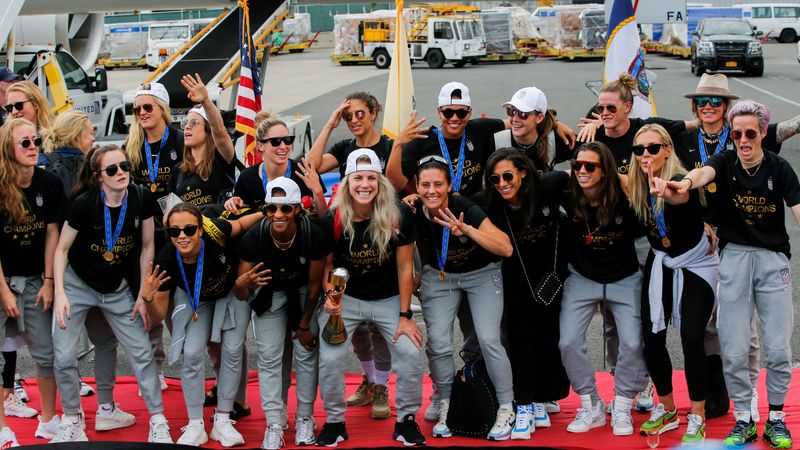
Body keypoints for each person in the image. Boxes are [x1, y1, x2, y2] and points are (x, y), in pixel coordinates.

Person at [670, 100, 800, 450]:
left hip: (773, 260)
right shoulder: (725, 161)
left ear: (762, 134)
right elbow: (703, 173)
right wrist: (685, 183)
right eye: (738, 133)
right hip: (734, 259)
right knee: (734, 346)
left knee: (776, 347)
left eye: (750, 133)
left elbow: (798, 208)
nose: (743, 140)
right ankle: (743, 417)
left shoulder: (780, 167)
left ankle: (775, 418)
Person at [51, 145, 172, 443]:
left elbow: (147, 247)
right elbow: (62, 249)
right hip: (78, 285)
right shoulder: (84, 203)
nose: (121, 174)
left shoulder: (140, 197)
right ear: (98, 177)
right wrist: (61, 293)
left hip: (115, 288)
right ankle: (72, 419)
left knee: (142, 352)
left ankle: (157, 420)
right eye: (112, 170)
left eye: (125, 167)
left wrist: (144, 292)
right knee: (64, 355)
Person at [316, 149, 425, 447]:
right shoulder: (333, 219)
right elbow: (326, 266)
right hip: (346, 300)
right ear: (347, 182)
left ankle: (406, 420)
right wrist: (330, 297)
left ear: (380, 181)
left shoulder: (398, 213)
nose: (364, 185)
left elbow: (405, 266)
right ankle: (334, 421)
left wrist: (405, 316)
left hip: (388, 298)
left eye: (371, 178)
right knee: (330, 357)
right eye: (358, 178)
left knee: (411, 352)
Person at [412, 155, 515, 441]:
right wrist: (418, 276)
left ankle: (506, 405)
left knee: (489, 339)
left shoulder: (464, 207)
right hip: (441, 275)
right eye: (425, 185)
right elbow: (418, 242)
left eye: (438, 185)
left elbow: (505, 248)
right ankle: (447, 402)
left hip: (481, 273)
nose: (432, 191)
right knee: (439, 344)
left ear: (449, 187)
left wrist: (466, 229)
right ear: (416, 187)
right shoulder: (413, 210)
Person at [627, 124, 718, 444]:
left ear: (667, 149)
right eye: (639, 150)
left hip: (696, 264)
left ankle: (697, 414)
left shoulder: (679, 178)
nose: (645, 155)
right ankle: (666, 410)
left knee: (692, 336)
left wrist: (668, 190)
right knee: (651, 338)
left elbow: (681, 195)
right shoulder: (636, 184)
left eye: (653, 148)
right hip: (660, 262)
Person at [307, 91, 394, 419]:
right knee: (353, 322)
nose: (354, 120)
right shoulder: (345, 149)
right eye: (348, 117)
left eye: (360, 113)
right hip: (347, 242)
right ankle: (370, 380)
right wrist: (330, 124)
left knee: (377, 325)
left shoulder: (388, 146)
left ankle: (383, 385)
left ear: (374, 112)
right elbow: (311, 165)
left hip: (382, 238)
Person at [142, 201, 254, 447]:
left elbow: (243, 223)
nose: (182, 236)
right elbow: (159, 315)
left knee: (233, 349)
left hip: (232, 292)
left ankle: (223, 420)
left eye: (189, 230)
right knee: (191, 353)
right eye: (174, 231)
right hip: (197, 300)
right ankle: (195, 424)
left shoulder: (216, 230)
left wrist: (266, 211)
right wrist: (148, 297)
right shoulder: (166, 259)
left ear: (201, 229)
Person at [558, 142, 648, 436]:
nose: (581, 171)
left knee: (633, 343)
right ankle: (591, 404)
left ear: (605, 170)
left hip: (624, 278)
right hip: (582, 277)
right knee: (568, 342)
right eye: (577, 165)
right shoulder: (565, 193)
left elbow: (650, 212)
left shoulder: (625, 199)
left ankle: (622, 403)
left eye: (590, 166)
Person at [479, 149, 570, 439]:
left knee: (550, 340)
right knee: (521, 342)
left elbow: (576, 172)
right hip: (516, 283)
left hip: (551, 280)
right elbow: (458, 204)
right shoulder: (490, 201)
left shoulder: (546, 186)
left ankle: (544, 397)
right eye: (495, 179)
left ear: (523, 173)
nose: (502, 183)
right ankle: (526, 404)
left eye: (508, 176)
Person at [233, 177, 327, 449]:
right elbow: (242, 292)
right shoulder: (255, 236)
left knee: (307, 352)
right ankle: (275, 422)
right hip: (269, 294)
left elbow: (313, 286)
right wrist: (240, 286)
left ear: (297, 209)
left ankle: (305, 418)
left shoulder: (313, 234)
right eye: (271, 208)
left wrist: (304, 324)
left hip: (302, 292)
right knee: (270, 357)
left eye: (285, 208)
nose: (278, 215)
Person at [0, 118, 63, 442]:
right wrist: (4, 292)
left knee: (46, 353)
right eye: (24, 143)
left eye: (35, 140)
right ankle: (2, 429)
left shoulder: (49, 184)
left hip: (36, 280)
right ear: (8, 149)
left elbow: (52, 232)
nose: (33, 147)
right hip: (3, 279)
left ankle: (49, 420)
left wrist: (50, 280)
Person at [124, 81, 183, 390]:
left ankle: (189, 366)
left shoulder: (179, 140)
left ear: (162, 109)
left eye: (148, 107)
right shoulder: (131, 146)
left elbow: (185, 183)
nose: (142, 113)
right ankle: (154, 369)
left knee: (178, 307)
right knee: (150, 305)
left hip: (176, 233)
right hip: (145, 234)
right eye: (137, 109)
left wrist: (171, 209)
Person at [225, 112, 326, 215]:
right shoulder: (247, 177)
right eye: (276, 141)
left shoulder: (305, 173)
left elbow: (324, 219)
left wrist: (318, 192)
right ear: (260, 146)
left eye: (288, 140)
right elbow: (239, 208)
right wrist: (233, 202)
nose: (283, 146)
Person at [169, 74, 236, 207]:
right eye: (185, 123)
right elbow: (171, 209)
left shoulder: (220, 159)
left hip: (216, 225)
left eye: (194, 122)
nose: (187, 126)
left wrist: (205, 100)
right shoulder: (178, 170)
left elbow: (219, 130)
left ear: (207, 129)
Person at [493, 86, 573, 173]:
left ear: (539, 118)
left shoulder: (554, 140)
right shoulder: (496, 140)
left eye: (523, 114)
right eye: (512, 111)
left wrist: (559, 177)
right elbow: (477, 127)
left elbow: (587, 156)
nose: (515, 119)